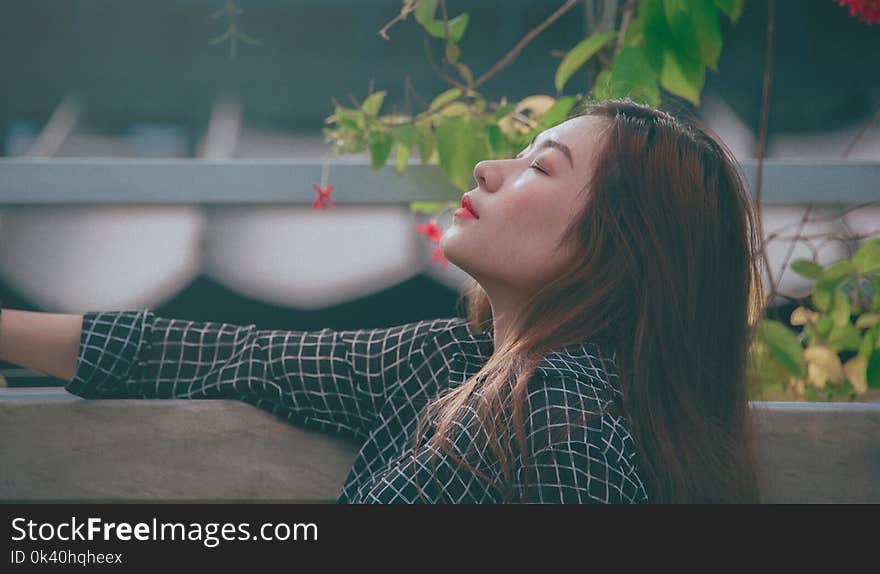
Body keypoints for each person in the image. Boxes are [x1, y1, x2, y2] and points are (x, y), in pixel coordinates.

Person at [0, 97, 766, 503]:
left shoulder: (565, 413)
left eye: (541, 168)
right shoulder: (447, 361)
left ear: (619, 243)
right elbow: (224, 354)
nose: (491, 168)